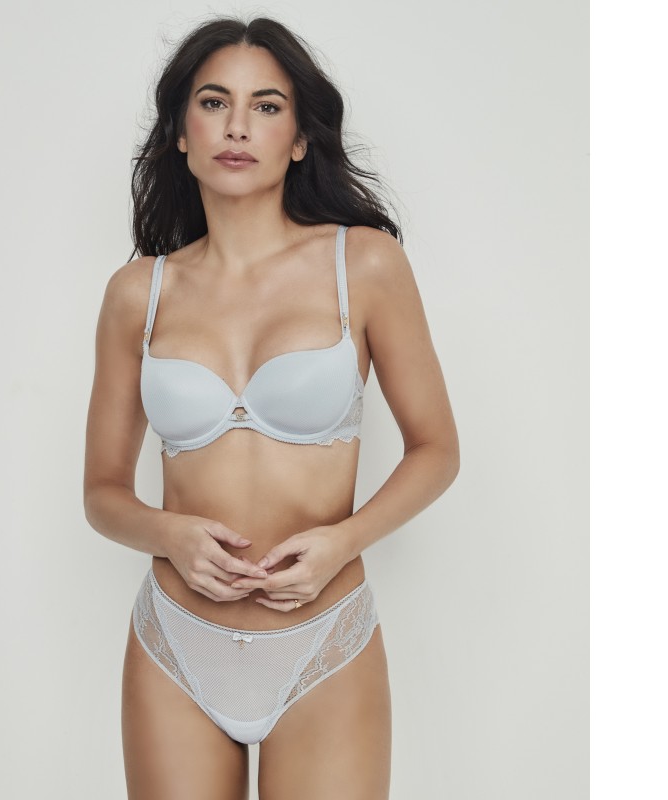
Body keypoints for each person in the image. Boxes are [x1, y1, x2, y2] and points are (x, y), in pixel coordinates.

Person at [83, 14, 459, 800]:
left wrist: (343, 542)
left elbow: (436, 449)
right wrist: (169, 534)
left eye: (266, 106)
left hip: (324, 638)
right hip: (176, 641)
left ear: (298, 139)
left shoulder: (366, 265)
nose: (238, 126)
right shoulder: (137, 294)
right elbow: (103, 494)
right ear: (180, 133)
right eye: (214, 102)